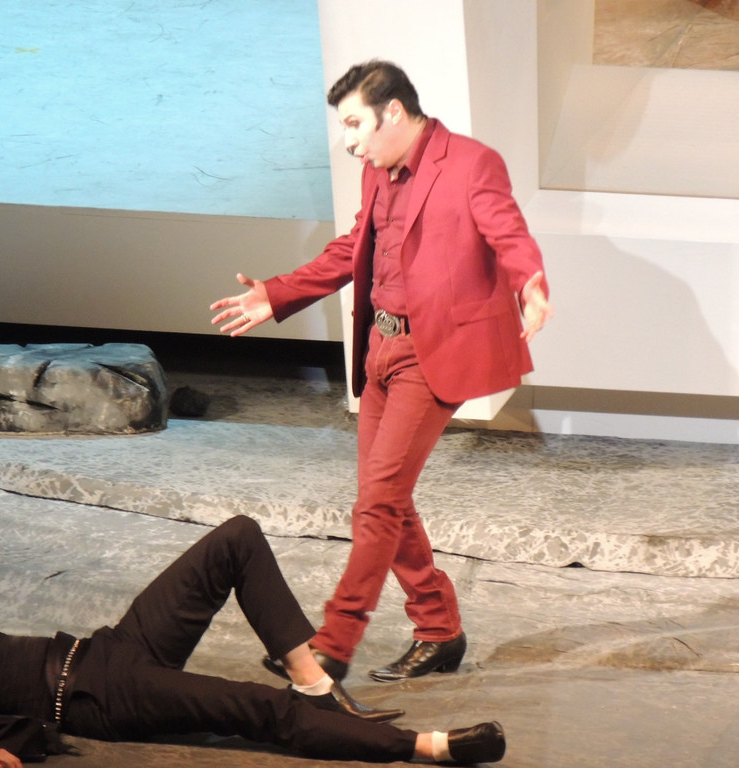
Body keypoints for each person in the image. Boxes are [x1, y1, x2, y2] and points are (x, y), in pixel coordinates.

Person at [211, 60, 553, 684]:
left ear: (393, 111)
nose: (349, 142)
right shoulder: (376, 172)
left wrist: (530, 282)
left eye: (354, 125)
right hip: (380, 349)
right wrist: (277, 293)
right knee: (385, 500)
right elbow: (354, 249)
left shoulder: (471, 163)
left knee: (377, 503)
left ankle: (334, 643)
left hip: (432, 353)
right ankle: (439, 629)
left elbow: (507, 233)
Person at [0, 515, 506, 767]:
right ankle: (425, 747)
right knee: (252, 707)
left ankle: (315, 683)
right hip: (100, 696)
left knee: (236, 538)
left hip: (108, 649)